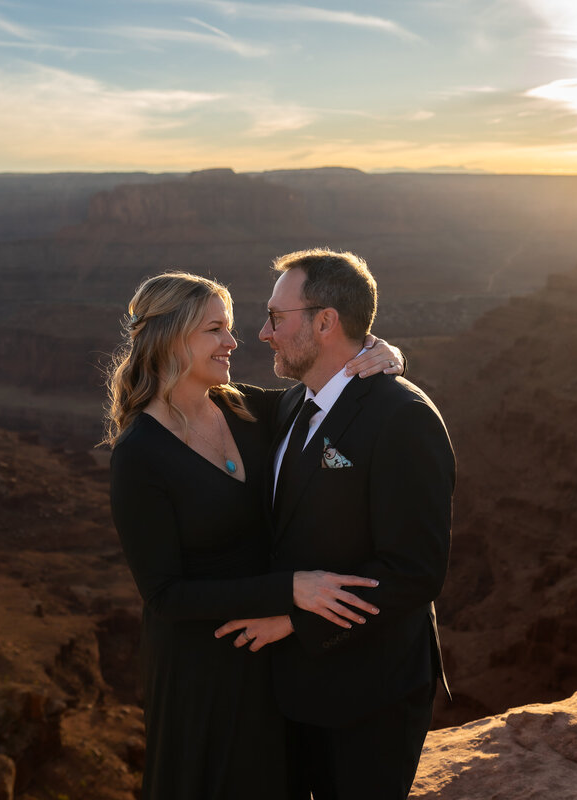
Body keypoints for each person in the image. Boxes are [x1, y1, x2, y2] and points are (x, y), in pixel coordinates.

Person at [104, 271, 406, 800]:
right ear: (170, 337)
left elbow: (330, 386)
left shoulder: (248, 409)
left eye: (232, 327)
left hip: (275, 658)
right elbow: (163, 593)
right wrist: (290, 590)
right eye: (215, 329)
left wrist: (383, 354)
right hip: (205, 669)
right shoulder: (139, 455)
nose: (232, 341)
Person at [216, 249, 456, 799]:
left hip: (371, 696)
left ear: (325, 322)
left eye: (277, 317)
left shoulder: (403, 420)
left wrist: (296, 623)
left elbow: (414, 572)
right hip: (296, 692)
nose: (262, 333)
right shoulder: (293, 406)